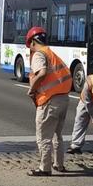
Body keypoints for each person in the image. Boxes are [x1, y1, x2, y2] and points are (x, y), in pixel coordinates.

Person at [26, 27, 72, 177]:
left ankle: (45, 168)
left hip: (50, 99)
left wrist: (32, 90)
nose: (30, 49)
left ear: (33, 41)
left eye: (30, 46)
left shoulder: (39, 54)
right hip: (63, 98)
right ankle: (59, 164)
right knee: (56, 134)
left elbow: (42, 73)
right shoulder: (52, 54)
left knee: (44, 136)